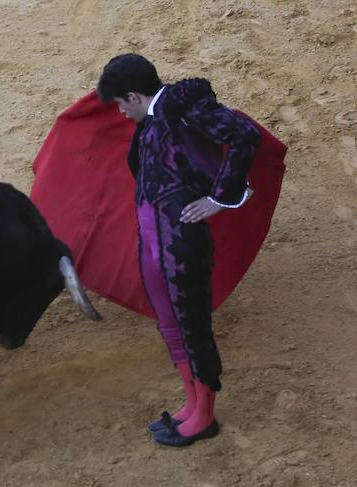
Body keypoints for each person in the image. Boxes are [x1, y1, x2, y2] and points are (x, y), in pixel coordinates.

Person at [96, 53, 261, 446]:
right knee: (170, 323)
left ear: (134, 96)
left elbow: (244, 135)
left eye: (120, 104)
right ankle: (191, 404)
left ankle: (204, 416)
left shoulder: (182, 106)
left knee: (192, 325)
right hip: (153, 238)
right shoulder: (156, 116)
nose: (120, 113)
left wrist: (220, 198)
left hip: (182, 241)